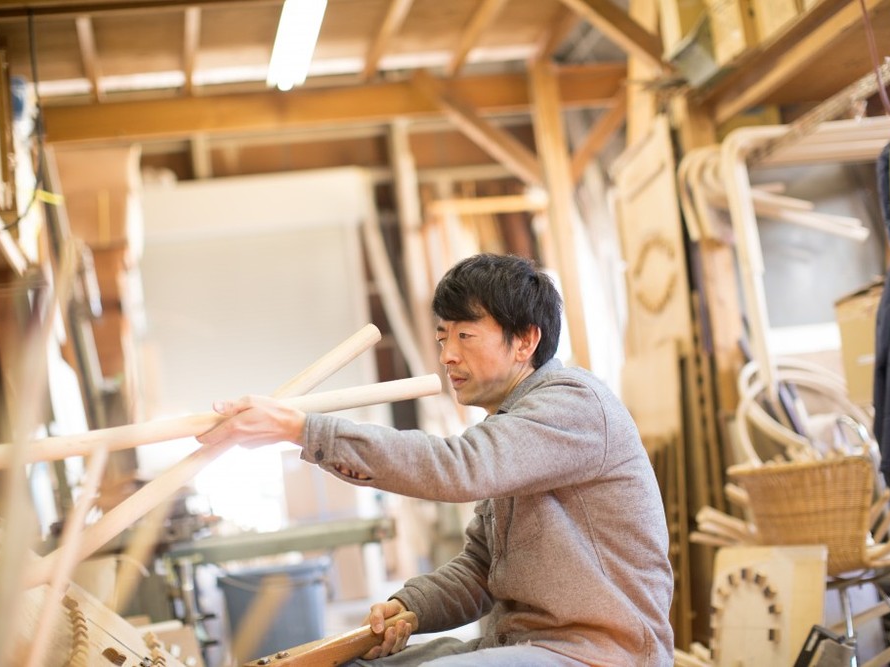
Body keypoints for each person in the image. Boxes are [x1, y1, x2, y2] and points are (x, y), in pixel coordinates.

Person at [197, 253, 674, 666]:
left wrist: (299, 427)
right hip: (523, 644)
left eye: (465, 335)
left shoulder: (573, 405)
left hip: (599, 654)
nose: (447, 355)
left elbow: (460, 467)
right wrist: (412, 605)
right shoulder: (510, 424)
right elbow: (482, 568)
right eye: (443, 337)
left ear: (526, 340)